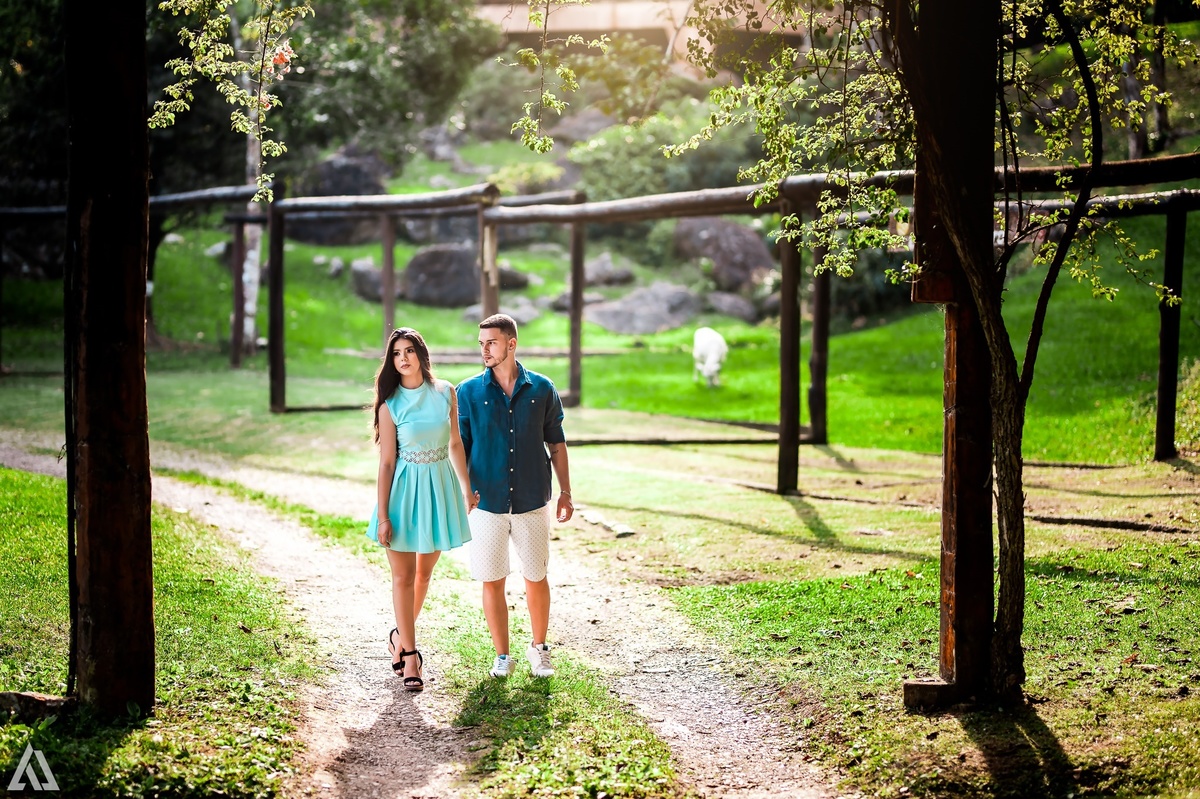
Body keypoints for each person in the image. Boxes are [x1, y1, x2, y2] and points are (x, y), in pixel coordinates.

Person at [457, 313, 573, 679]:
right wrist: (463, 491)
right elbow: (459, 447)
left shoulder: (542, 389)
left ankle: (539, 649)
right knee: (492, 579)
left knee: (536, 575)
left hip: (531, 500)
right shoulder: (467, 392)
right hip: (485, 503)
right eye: (481, 344)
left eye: (491, 343)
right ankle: (502, 656)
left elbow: (557, 444)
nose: (484, 350)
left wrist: (566, 491)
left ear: (511, 343)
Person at [366, 327, 476, 692]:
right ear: (391, 361)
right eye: (397, 353)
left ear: (421, 355)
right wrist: (384, 516)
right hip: (402, 494)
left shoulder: (445, 393)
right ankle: (411, 656)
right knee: (404, 577)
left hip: (437, 489)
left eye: (409, 350)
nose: (403, 358)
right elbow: (386, 463)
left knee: (424, 575)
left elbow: (456, 443)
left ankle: (399, 635)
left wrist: (467, 488)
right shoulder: (390, 405)